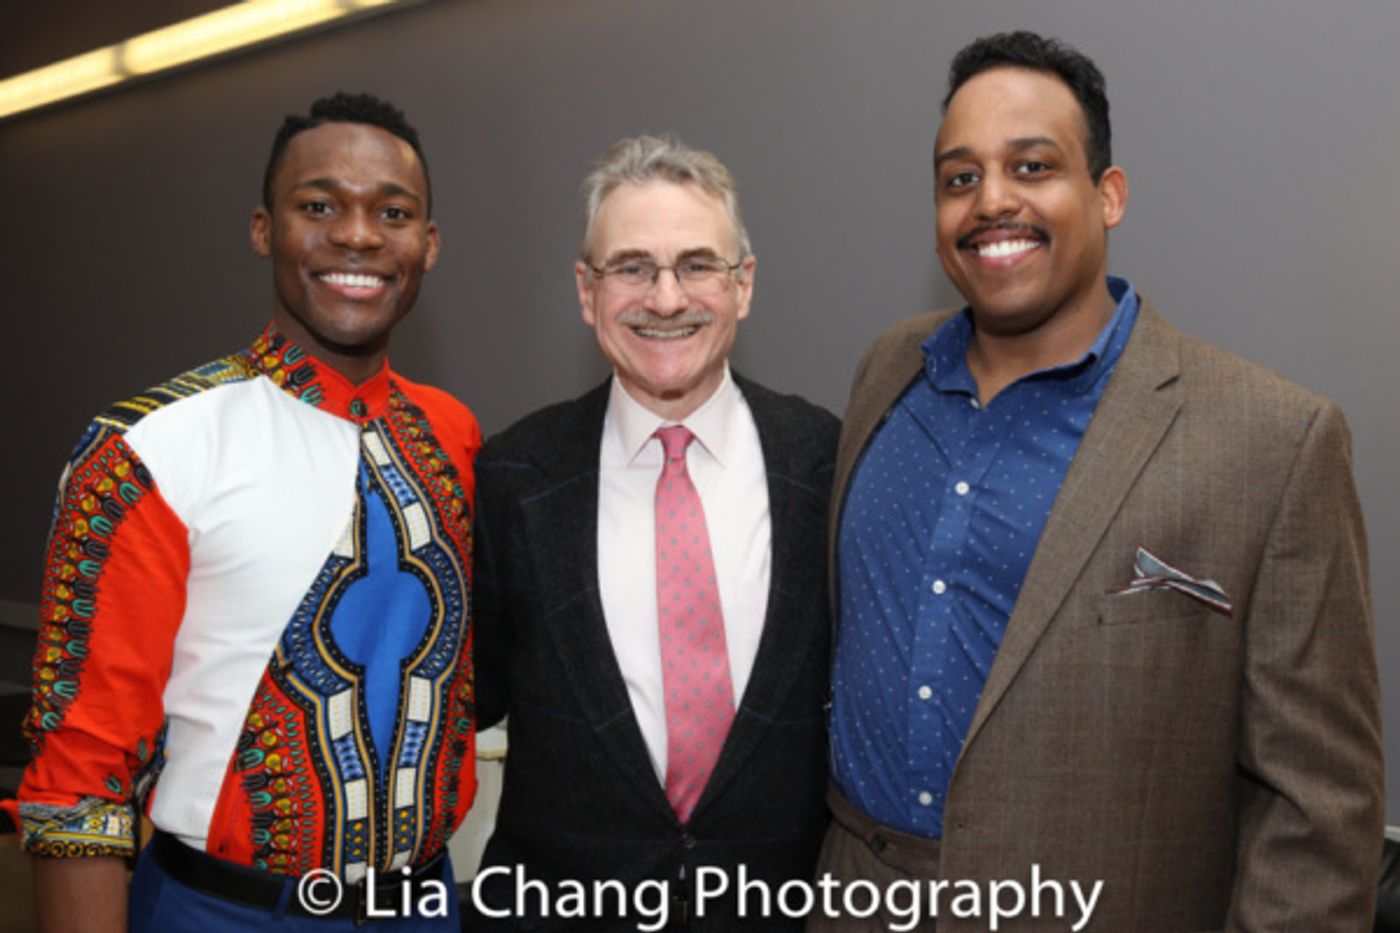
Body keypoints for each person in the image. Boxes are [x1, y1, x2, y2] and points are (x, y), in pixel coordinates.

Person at [817, 31, 1383, 931]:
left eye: (1032, 166)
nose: (991, 201)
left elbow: (1318, 813)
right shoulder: (887, 373)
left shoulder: (1272, 441)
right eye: (960, 178)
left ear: (1107, 194)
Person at [5, 92, 480, 932]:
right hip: (222, 911)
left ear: (429, 245)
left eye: (393, 212)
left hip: (427, 905)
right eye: (319, 205)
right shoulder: (151, 446)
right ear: (265, 229)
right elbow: (77, 777)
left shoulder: (453, 434)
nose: (359, 235)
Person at [467, 135, 839, 931]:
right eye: (632, 267)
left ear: (743, 285)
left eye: (697, 265)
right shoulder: (511, 477)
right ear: (586, 290)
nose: (665, 299)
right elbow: (470, 696)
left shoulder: (830, 464)